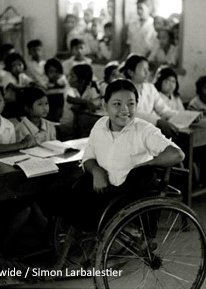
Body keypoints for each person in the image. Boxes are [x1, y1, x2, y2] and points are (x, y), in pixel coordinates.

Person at [60, 79, 184, 229]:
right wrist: (97, 171)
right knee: (67, 196)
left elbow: (177, 154)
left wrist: (147, 164)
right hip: (104, 189)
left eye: (131, 104)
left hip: (130, 195)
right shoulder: (100, 125)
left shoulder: (143, 129)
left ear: (137, 105)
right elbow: (88, 158)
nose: (125, 110)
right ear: (105, 105)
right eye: (117, 104)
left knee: (140, 176)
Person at [123, 54, 178, 138]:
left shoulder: (150, 88)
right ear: (130, 72)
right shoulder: (122, 88)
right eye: (143, 69)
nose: (147, 73)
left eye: (147, 69)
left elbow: (163, 109)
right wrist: (157, 120)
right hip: (129, 133)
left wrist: (184, 116)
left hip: (148, 131)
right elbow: (132, 113)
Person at [60, 64, 100, 139]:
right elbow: (70, 99)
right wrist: (86, 102)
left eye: (72, 76)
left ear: (82, 80)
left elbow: (96, 105)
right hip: (68, 125)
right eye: (69, 75)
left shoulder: (91, 88)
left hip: (85, 126)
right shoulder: (69, 87)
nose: (69, 78)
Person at [44, 58, 68, 122]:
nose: (54, 74)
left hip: (61, 111)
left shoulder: (64, 84)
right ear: (46, 73)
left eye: (57, 72)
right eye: (51, 72)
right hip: (50, 111)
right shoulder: (45, 86)